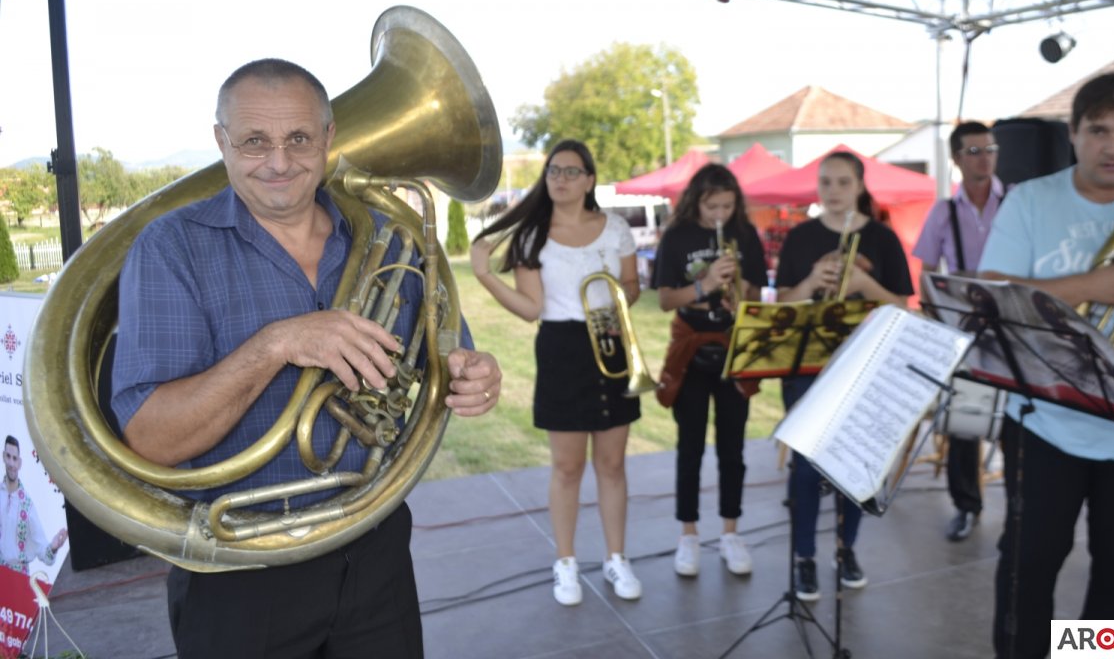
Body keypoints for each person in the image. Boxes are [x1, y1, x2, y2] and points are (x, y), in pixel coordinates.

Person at [110, 58, 503, 659]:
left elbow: (448, 352)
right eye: (254, 141)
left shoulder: (392, 239)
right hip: (240, 570)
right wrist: (277, 344)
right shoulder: (172, 247)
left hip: (373, 550)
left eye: (298, 138)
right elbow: (152, 439)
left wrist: (473, 373)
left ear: (328, 137)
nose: (278, 161)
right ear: (221, 141)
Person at [979, 73, 1114, 659]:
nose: (1112, 146)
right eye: (1098, 130)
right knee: (1027, 566)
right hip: (1047, 420)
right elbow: (992, 293)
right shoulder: (1032, 200)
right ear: (1073, 134)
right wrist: (1092, 285)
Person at [470, 139, 643, 607]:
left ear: (589, 180)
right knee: (567, 467)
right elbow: (531, 309)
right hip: (562, 348)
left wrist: (619, 300)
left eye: (571, 172)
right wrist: (485, 275)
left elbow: (632, 286)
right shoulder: (533, 235)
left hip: (610, 343)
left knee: (612, 464)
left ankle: (616, 557)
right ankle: (566, 562)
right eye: (553, 171)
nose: (560, 179)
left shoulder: (616, 229)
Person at [774, 150, 913, 601]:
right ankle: (804, 557)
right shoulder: (800, 237)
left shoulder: (882, 238)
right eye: (825, 182)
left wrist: (864, 285)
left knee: (857, 464)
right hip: (807, 366)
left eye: (842, 183)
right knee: (805, 466)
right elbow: (781, 305)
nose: (833, 191)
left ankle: (845, 548)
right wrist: (812, 282)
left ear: (859, 186)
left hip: (867, 365)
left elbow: (902, 306)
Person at [652, 164, 768, 578]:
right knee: (691, 446)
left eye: (727, 206)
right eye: (712, 206)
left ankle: (731, 532)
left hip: (733, 347)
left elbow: (757, 294)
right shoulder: (677, 236)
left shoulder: (745, 234)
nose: (720, 214)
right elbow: (666, 299)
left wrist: (740, 291)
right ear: (696, 201)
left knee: (733, 448)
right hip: (693, 348)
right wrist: (704, 285)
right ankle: (688, 533)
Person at [912, 121, 1003, 543]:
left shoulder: (1016, 201)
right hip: (965, 330)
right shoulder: (943, 211)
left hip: (1014, 325)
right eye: (974, 151)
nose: (985, 158)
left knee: (1020, 423)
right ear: (957, 159)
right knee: (965, 421)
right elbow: (927, 276)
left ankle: (1023, 508)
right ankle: (967, 505)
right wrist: (939, 322)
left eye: (990, 149)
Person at [0, 436, 67, 575]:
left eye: (15, 458)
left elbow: (43, 551)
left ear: (20, 463)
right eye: (8, 456)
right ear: (3, 457)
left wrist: (53, 547)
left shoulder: (26, 505)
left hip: (18, 578)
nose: (11, 463)